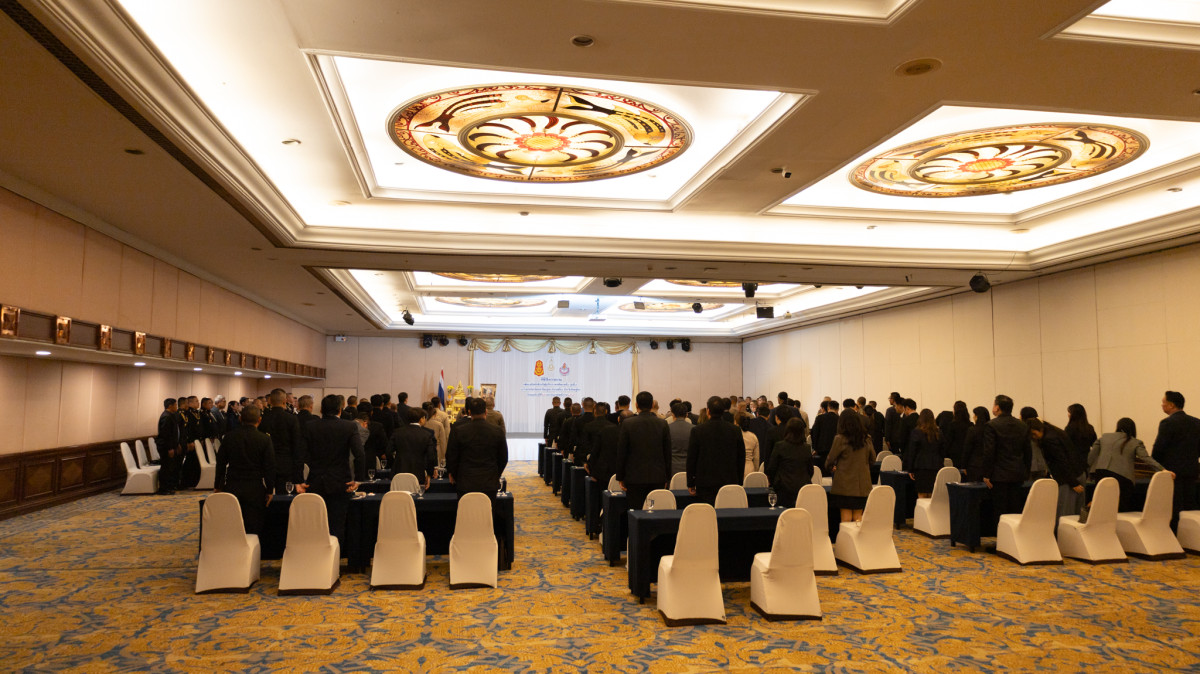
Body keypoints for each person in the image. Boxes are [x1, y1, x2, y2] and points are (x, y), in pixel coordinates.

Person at [298, 395, 365, 547]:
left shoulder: (310, 426)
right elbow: (360, 454)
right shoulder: (349, 426)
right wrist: (358, 479)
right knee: (337, 525)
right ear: (340, 410)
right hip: (340, 481)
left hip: (315, 481)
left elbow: (299, 455)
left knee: (315, 524)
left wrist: (299, 480)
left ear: (321, 409)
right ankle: (335, 558)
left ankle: (317, 557)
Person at [213, 405, 275, 535]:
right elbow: (269, 467)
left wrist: (218, 485)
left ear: (240, 419)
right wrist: (270, 489)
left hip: (232, 485)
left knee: (233, 523)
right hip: (255, 487)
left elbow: (221, 463)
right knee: (254, 524)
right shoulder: (264, 439)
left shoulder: (229, 437)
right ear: (259, 420)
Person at [1089, 417, 1170, 513]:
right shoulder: (1135, 442)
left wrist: (1087, 472)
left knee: (1102, 503)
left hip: (1101, 474)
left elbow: (1091, 457)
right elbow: (1145, 458)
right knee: (1120, 507)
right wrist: (1162, 469)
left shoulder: (1104, 437)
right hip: (1122, 477)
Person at [1151, 390, 1200, 529]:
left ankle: (1175, 535)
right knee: (1190, 506)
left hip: (1172, 473)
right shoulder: (1197, 422)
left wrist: (1158, 466)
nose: (1162, 405)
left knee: (1174, 507)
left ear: (1171, 405)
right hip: (1192, 470)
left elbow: (1159, 448)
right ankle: (1191, 535)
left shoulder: (1167, 423)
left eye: (1163, 402)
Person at [616, 391, 672, 510]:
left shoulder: (627, 423)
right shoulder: (662, 424)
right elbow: (667, 452)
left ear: (636, 405)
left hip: (634, 477)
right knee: (655, 512)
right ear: (652, 405)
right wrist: (667, 476)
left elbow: (622, 452)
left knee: (635, 512)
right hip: (657, 476)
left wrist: (620, 476)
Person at [686, 396, 746, 504]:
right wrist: (739, 481)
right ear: (723, 411)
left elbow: (691, 458)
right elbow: (741, 457)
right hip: (729, 480)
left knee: (707, 512)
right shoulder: (735, 430)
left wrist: (690, 482)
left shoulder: (697, 430)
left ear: (708, 411)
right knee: (728, 511)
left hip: (705, 482)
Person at [981, 394, 1032, 521]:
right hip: (1017, 473)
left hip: (999, 475)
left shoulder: (991, 425)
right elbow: (1028, 452)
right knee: (1015, 509)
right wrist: (1026, 471)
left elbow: (989, 452)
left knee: (1000, 510)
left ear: (997, 407)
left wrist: (986, 474)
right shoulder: (1022, 425)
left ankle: (1001, 532)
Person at [446, 397, 509, 496]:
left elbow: (451, 456)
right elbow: (503, 458)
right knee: (488, 506)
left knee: (466, 506)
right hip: (489, 481)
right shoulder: (497, 431)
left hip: (465, 481)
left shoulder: (458, 431)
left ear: (469, 412)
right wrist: (495, 474)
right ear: (486, 412)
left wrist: (455, 475)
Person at [1027, 418, 1085, 519]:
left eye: (1033, 434)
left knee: (1065, 515)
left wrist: (1073, 483)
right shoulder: (1054, 430)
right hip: (1078, 473)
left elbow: (1061, 461)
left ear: (1038, 429)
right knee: (1078, 514)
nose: (1033, 437)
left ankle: (1063, 530)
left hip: (1068, 479)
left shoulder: (1048, 439)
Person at [826, 409, 876, 522]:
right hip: (862, 484)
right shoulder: (866, 438)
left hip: (844, 484)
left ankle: (846, 535)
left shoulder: (840, 439)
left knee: (846, 517)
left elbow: (830, 460)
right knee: (858, 517)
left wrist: (831, 468)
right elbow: (873, 460)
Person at [260, 389, 304, 495]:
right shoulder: (292, 419)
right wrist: (298, 477)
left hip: (266, 464)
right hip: (286, 465)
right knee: (285, 497)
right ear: (285, 401)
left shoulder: (263, 419)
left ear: (270, 401)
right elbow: (297, 446)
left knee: (266, 496)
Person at [764, 417, 813, 508]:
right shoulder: (806, 448)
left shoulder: (780, 446)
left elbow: (771, 468)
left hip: (783, 488)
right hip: (802, 487)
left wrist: (775, 482)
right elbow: (810, 470)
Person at [390, 407, 438, 488]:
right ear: (421, 419)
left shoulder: (397, 432)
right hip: (418, 472)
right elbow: (431, 457)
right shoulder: (426, 435)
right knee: (416, 495)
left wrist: (394, 464)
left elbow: (388, 451)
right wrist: (429, 474)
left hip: (398, 471)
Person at [905, 409, 944, 498]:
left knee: (922, 494)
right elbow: (942, 451)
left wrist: (910, 469)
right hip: (936, 466)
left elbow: (912, 452)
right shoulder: (939, 432)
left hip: (921, 467)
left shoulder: (916, 432)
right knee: (933, 494)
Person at [156, 398, 183, 494]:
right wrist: (170, 448)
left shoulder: (171, 415)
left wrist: (177, 444)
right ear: (170, 406)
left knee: (170, 467)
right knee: (166, 467)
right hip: (165, 447)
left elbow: (174, 433)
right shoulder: (166, 416)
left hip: (171, 446)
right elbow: (165, 435)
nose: (176, 407)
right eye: (175, 405)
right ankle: (163, 489)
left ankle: (169, 487)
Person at [1064, 404, 1098, 475]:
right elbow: (1095, 444)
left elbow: (1066, 446)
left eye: (1069, 412)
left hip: (1074, 463)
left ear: (1074, 414)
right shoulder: (1090, 428)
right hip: (1087, 461)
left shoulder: (1069, 429)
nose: (1068, 414)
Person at [961, 406, 990, 481]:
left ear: (977, 417)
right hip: (988, 465)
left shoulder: (972, 430)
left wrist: (963, 466)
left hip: (974, 465)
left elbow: (967, 449)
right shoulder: (990, 430)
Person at [667, 401, 693, 476]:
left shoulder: (667, 428)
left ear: (673, 414)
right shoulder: (694, 429)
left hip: (671, 468)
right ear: (686, 414)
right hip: (689, 468)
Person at [943, 401, 971, 468]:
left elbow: (948, 442)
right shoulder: (970, 425)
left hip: (954, 457)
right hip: (968, 456)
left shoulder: (952, 425)